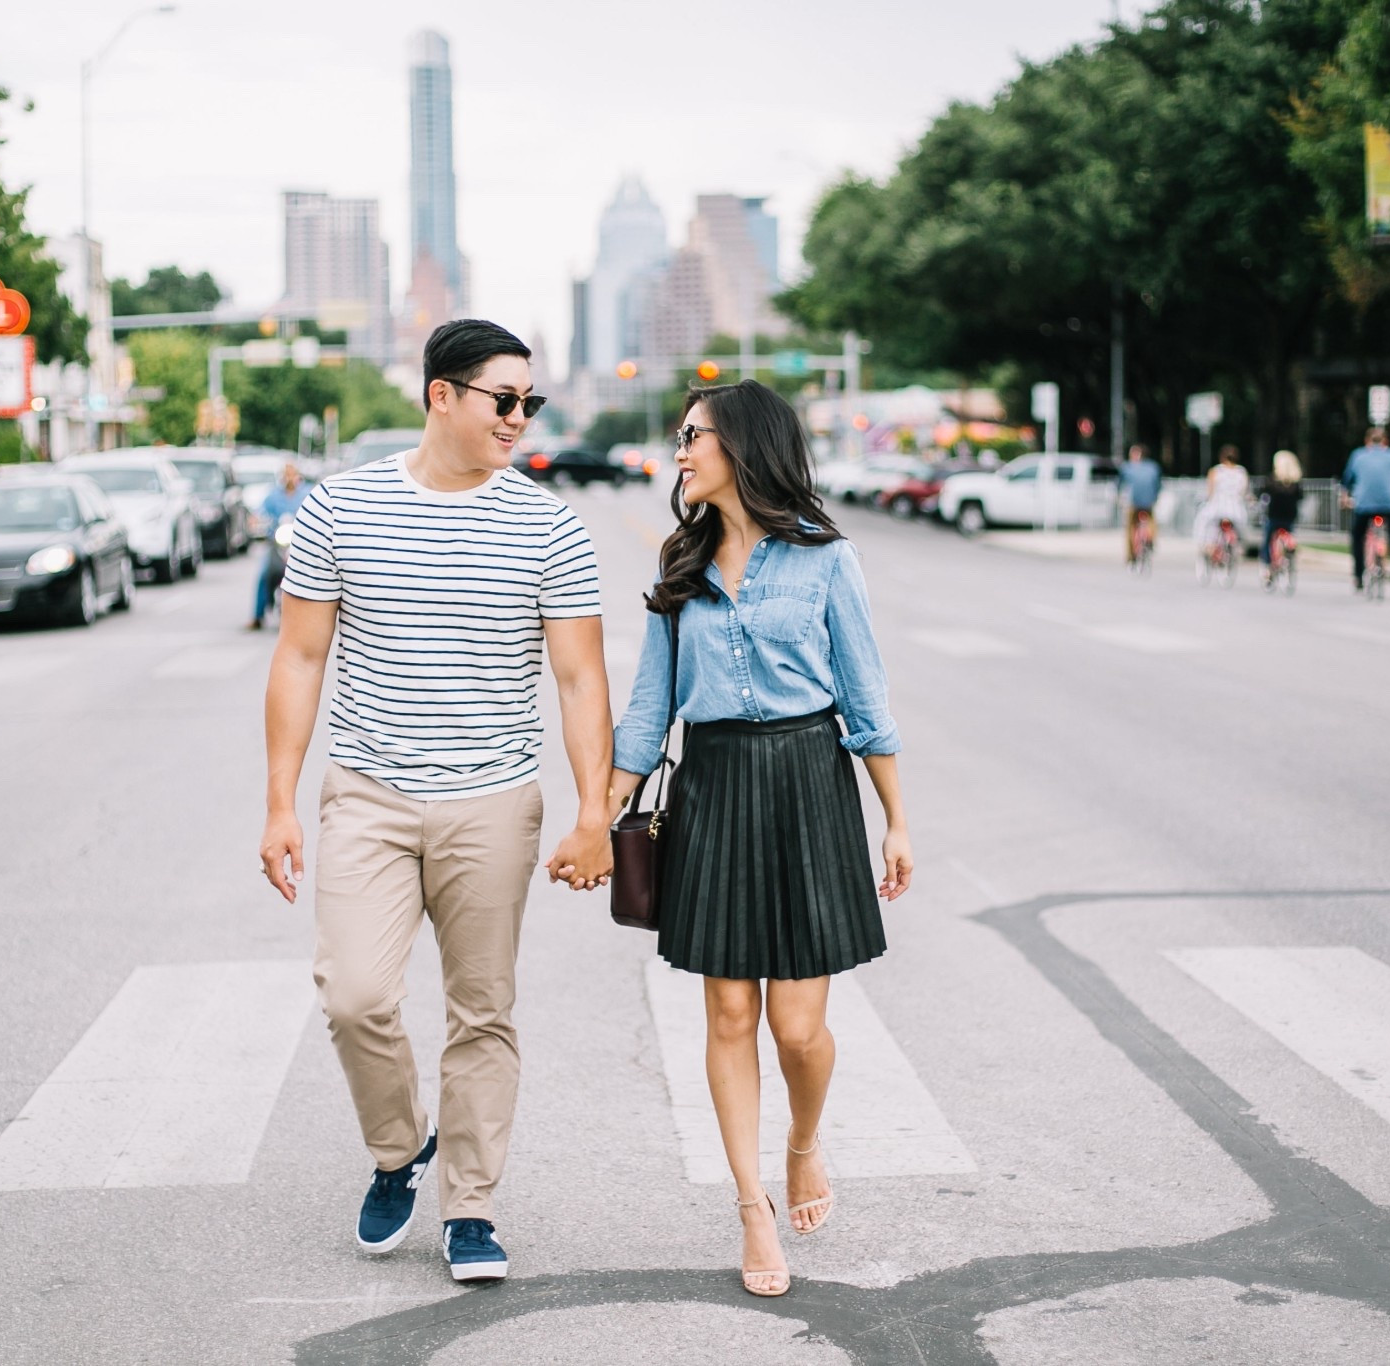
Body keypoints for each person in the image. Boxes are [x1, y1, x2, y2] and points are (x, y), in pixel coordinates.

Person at [257, 319, 616, 1285]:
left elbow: (580, 679)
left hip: (493, 802)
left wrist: (594, 813)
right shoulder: (340, 508)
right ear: (441, 396)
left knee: (482, 1011)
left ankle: (471, 1207)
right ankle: (398, 1148)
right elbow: (299, 657)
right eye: (504, 399)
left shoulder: (548, 525)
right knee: (355, 996)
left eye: (529, 401)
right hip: (368, 794)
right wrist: (281, 803)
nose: (519, 417)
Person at [608, 379, 914, 1300]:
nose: (680, 452)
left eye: (692, 437)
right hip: (715, 786)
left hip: (809, 783)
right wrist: (599, 816)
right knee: (731, 1016)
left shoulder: (825, 558)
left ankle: (804, 1142)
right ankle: (751, 1207)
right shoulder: (682, 562)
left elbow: (865, 696)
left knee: (799, 1029)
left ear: (742, 445)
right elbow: (649, 709)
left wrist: (897, 821)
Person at [1341, 427, 1390, 590]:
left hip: (1363, 504)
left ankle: (1358, 576)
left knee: (1357, 538)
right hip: (1388, 505)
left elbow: (1347, 480)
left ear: (1367, 441)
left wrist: (1344, 499)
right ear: (1386, 441)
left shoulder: (1358, 455)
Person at [248, 461, 308, 630]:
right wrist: (255, 520)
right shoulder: (273, 495)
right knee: (264, 573)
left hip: (300, 545)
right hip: (277, 543)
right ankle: (257, 616)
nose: (289, 478)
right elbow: (260, 512)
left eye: (292, 474)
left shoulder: (307, 494)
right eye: (286, 475)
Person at [1193, 445, 1251, 570]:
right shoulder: (1241, 472)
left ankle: (1208, 547)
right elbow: (1244, 491)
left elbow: (1210, 492)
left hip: (1218, 507)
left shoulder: (1216, 471)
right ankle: (1236, 547)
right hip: (1236, 509)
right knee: (1239, 528)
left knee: (1205, 525)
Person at [1260, 450, 1303, 586]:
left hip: (1274, 516)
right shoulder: (1295, 483)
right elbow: (1300, 497)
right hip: (1290, 516)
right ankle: (1290, 547)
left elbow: (1263, 495)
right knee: (1288, 532)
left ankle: (1268, 566)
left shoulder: (1272, 480)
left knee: (1267, 540)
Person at [1117, 443, 1162, 564]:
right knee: (1152, 522)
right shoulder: (1153, 467)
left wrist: (1118, 497)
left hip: (1134, 503)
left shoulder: (1127, 467)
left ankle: (1130, 555)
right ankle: (1151, 541)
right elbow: (1158, 485)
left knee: (1130, 527)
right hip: (1149, 502)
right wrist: (1155, 497)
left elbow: (1120, 485)